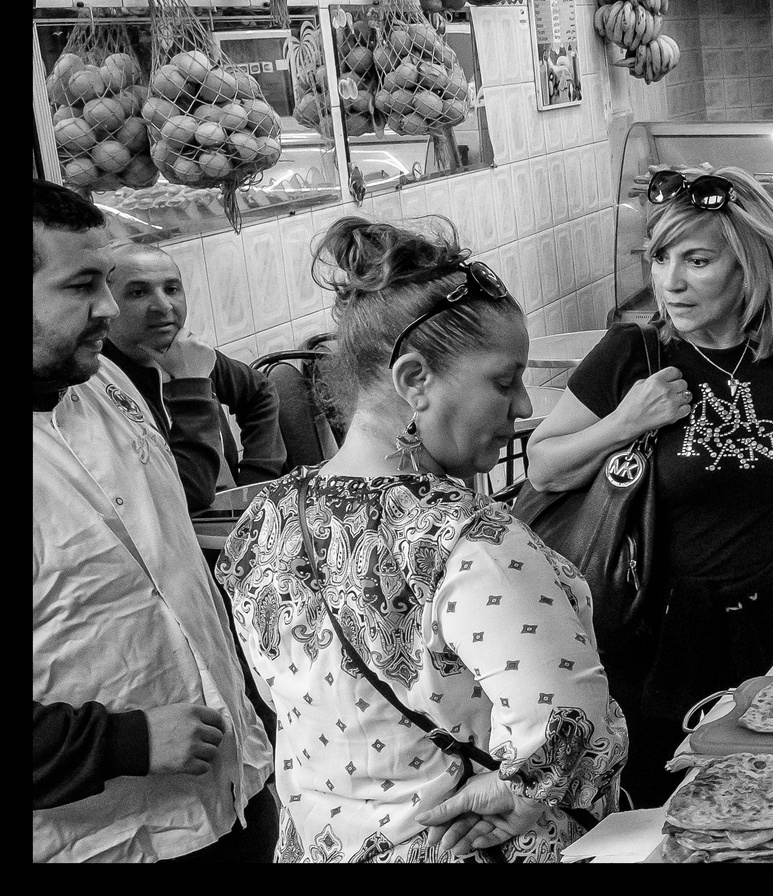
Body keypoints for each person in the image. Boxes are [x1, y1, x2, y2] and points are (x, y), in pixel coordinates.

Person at [214, 217, 627, 862]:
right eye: (503, 379)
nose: (522, 405)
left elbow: (287, 707)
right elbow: (568, 730)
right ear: (414, 381)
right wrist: (522, 794)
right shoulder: (474, 546)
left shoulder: (263, 523)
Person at [526, 167, 773, 803]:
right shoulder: (633, 354)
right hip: (666, 634)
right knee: (676, 800)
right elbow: (545, 465)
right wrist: (625, 422)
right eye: (661, 257)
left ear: (750, 266)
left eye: (696, 260)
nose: (670, 281)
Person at [32, 179, 275, 862]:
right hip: (103, 843)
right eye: (83, 286)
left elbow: (171, 576)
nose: (109, 309)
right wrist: (126, 741)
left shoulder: (100, 380)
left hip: (234, 792)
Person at [103, 242, 287, 512]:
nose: (163, 305)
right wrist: (191, 386)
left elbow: (259, 393)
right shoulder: (99, 382)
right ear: (107, 304)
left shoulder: (186, 352)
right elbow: (190, 493)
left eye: (172, 289)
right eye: (139, 292)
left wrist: (257, 485)